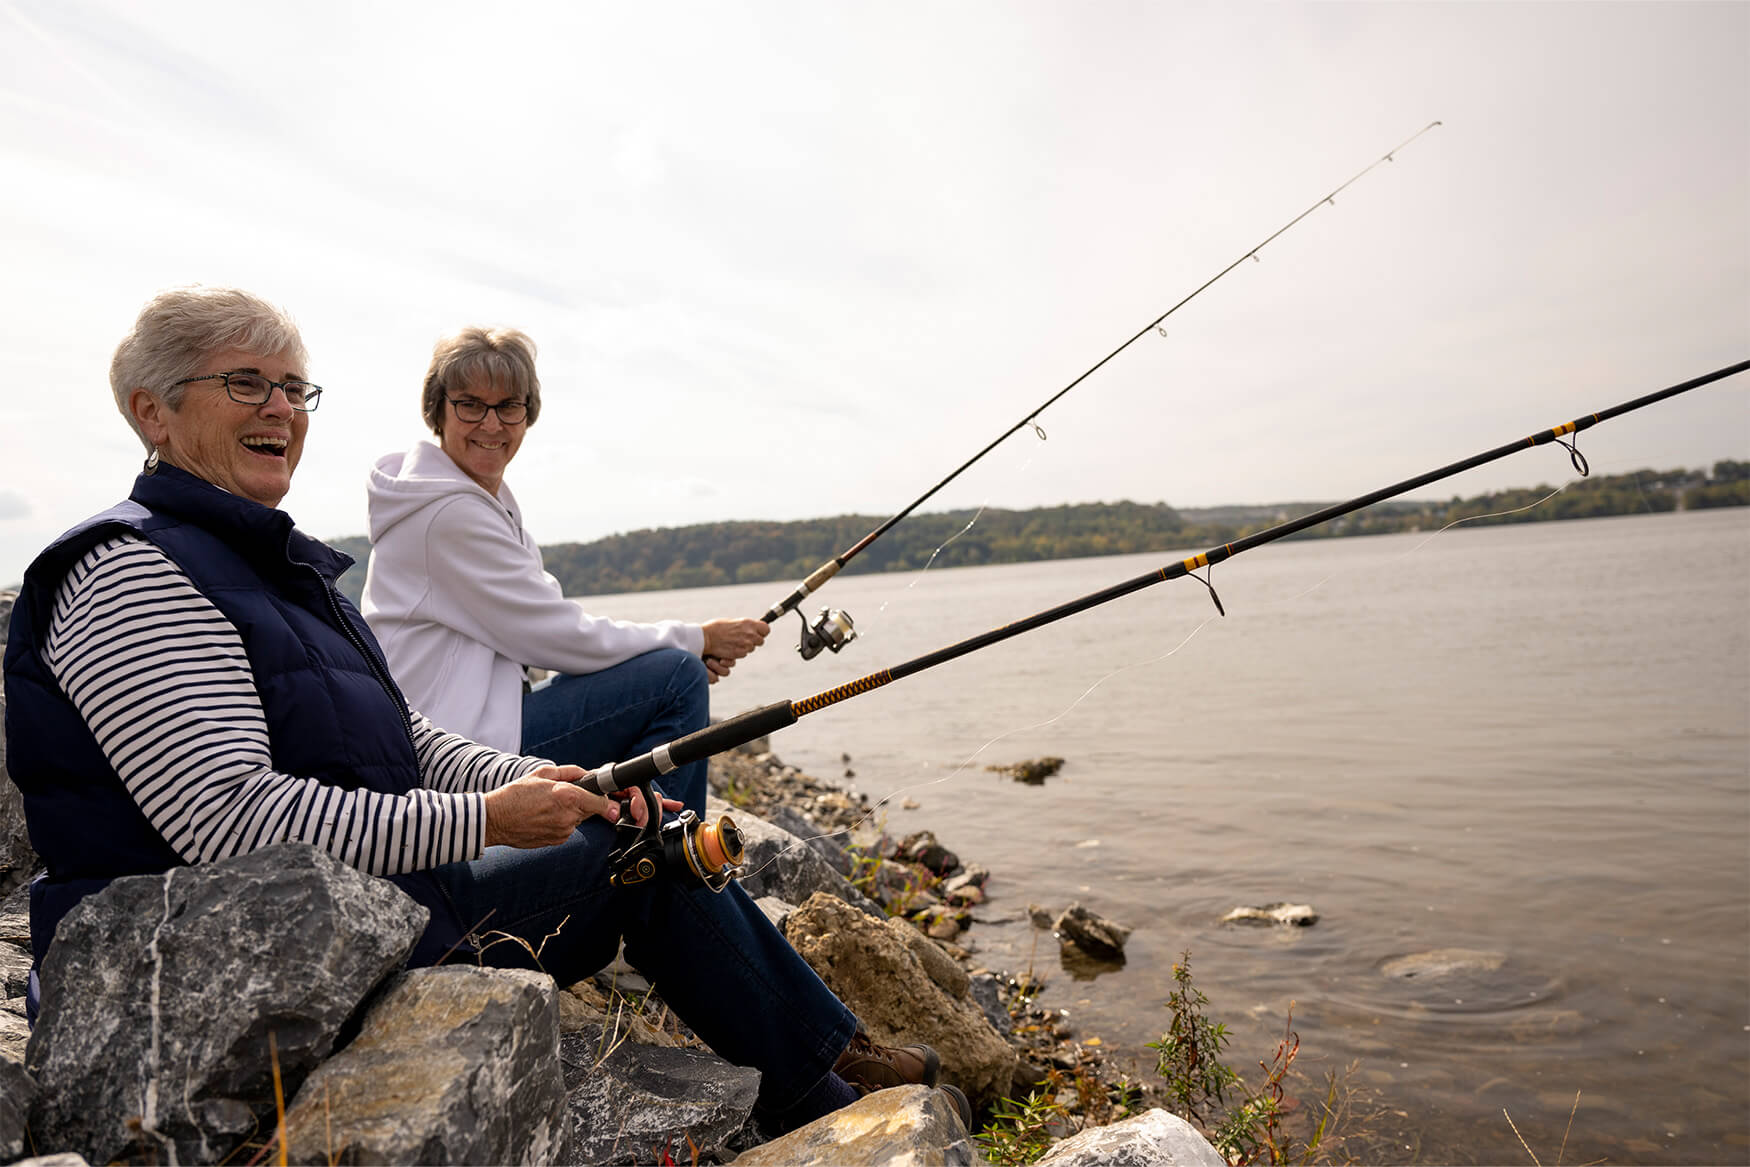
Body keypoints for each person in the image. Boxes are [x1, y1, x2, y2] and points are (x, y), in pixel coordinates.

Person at [1, 286, 966, 1133]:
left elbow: (400, 735)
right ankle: (835, 1105)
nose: (283, 409)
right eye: (247, 383)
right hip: (223, 967)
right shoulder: (130, 568)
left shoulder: (287, 572)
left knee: (641, 831)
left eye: (297, 389)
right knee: (641, 858)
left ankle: (826, 1061)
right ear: (151, 411)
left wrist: (548, 781)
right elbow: (225, 821)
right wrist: (490, 820)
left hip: (364, 913)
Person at [360, 326, 766, 816]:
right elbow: (557, 637)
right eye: (470, 404)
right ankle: (665, 857)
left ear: (527, 415)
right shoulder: (447, 515)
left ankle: (631, 834)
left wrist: (670, 650)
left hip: (475, 727)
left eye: (509, 406)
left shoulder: (477, 501)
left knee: (665, 675)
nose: (491, 424)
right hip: (454, 752)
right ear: (438, 410)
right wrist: (695, 640)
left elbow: (548, 626)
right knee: (675, 679)